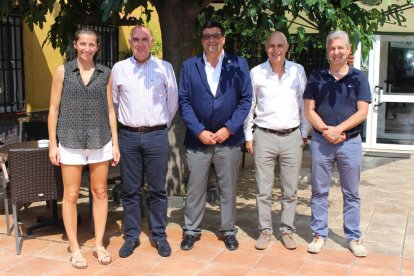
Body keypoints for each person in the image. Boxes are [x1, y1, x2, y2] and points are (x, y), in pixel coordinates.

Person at [48, 27, 120, 269]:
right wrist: (52, 144)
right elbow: (53, 110)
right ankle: (75, 248)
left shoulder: (106, 74)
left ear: (97, 47)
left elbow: (111, 110)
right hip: (69, 139)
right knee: (70, 195)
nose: (87, 48)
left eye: (92, 45)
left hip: (101, 139)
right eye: (83, 44)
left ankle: (99, 244)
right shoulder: (63, 71)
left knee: (100, 192)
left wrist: (116, 143)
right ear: (75, 45)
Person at [178, 21, 252, 251]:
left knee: (228, 187)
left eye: (216, 36)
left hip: (228, 138)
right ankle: (191, 230)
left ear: (223, 39)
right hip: (198, 139)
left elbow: (246, 100)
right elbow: (184, 101)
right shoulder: (189, 66)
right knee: (195, 187)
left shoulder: (239, 64)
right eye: (207, 36)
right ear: (202, 40)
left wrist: (229, 128)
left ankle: (228, 230)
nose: (212, 40)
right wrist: (199, 130)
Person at [112, 25, 178, 258]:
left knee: (158, 189)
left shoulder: (165, 68)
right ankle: (131, 236)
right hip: (128, 136)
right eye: (136, 39)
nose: (140, 43)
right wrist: (129, 125)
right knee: (130, 190)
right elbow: (115, 104)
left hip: (156, 135)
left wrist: (158, 127)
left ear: (152, 42)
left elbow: (172, 103)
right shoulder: (119, 69)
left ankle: (159, 235)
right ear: (130, 43)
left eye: (144, 39)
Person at [303, 30, 371, 257]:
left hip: (349, 143)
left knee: (351, 192)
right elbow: (308, 110)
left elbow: (362, 112)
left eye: (341, 47)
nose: (336, 52)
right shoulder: (316, 77)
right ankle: (319, 234)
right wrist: (325, 130)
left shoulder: (359, 78)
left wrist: (339, 130)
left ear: (349, 49)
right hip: (321, 142)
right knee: (319, 191)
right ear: (327, 51)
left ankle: (353, 237)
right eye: (332, 48)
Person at [244, 31, 310, 250]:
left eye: (280, 45)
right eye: (271, 45)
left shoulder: (298, 71)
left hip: (292, 136)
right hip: (264, 136)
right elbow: (249, 106)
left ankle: (287, 230)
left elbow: (305, 105)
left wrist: (303, 133)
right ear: (266, 48)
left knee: (290, 190)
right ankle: (265, 230)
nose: (276, 50)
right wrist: (248, 135)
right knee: (263, 189)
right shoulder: (256, 73)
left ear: (287, 47)